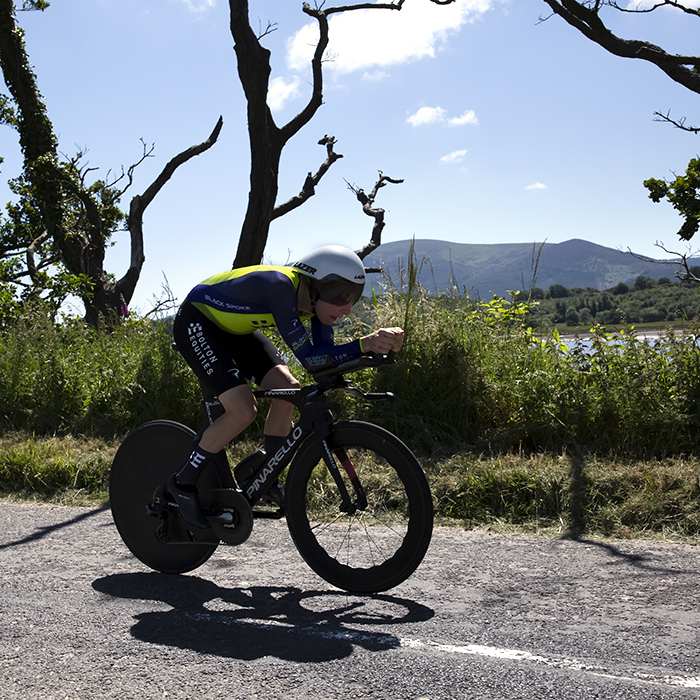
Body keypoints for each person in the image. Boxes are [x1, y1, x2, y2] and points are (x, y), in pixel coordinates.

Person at [168, 244, 404, 529]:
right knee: (243, 410)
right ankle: (182, 483)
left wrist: (374, 352)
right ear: (315, 286)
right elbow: (312, 361)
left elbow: (326, 363)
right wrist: (365, 344)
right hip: (198, 321)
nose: (347, 309)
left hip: (237, 331)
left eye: (353, 297)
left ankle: (267, 476)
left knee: (289, 391)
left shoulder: (317, 305)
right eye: (341, 297)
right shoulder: (280, 288)